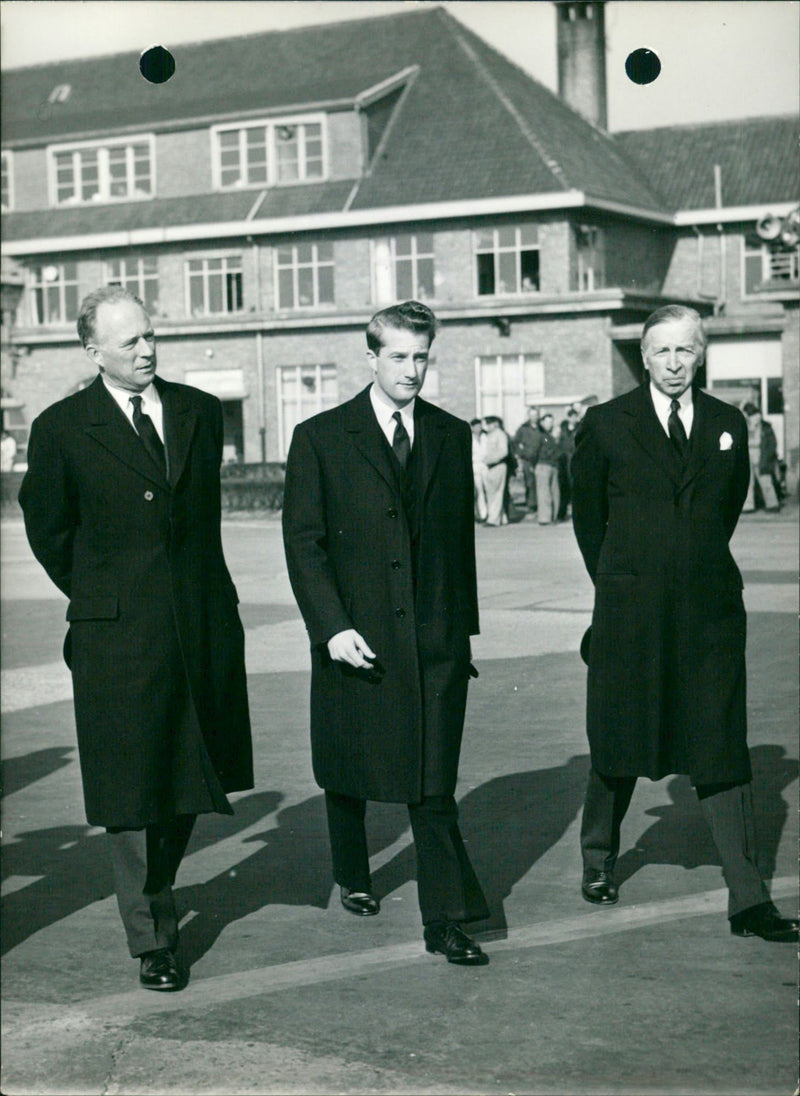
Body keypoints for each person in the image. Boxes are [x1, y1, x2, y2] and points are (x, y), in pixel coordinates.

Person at [19, 287, 254, 990]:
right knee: (130, 789)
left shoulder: (198, 412)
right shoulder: (62, 428)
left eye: (151, 336)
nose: (147, 350)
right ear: (92, 352)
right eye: (130, 343)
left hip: (201, 625)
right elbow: (48, 529)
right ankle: (152, 935)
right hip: (117, 637)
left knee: (189, 777)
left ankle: (158, 888)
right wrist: (102, 597)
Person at [571, 303, 797, 943]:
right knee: (618, 737)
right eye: (662, 350)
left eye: (686, 350)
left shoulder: (728, 424)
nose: (674, 363)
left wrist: (689, 566)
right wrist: (619, 581)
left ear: (702, 355)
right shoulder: (606, 424)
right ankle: (598, 860)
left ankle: (748, 898)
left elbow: (723, 511)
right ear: (643, 356)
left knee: (721, 745)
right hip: (630, 612)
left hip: (709, 615)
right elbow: (590, 521)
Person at [282, 300, 489, 966]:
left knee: (432, 787)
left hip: (434, 645)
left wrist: (461, 637)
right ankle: (353, 870)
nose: (411, 371)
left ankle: (447, 921)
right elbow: (305, 544)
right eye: (398, 357)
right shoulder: (320, 437)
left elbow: (458, 547)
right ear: (370, 357)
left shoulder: (450, 436)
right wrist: (331, 627)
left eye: (421, 357)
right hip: (356, 638)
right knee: (349, 770)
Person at [741, 402, 781, 513]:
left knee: (765, 480)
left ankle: (772, 505)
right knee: (747, 482)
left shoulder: (765, 427)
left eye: (755, 416)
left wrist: (768, 457)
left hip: (761, 456)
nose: (755, 418)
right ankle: (748, 506)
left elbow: (772, 444)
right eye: (752, 416)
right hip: (747, 456)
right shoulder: (743, 426)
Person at [533, 412, 561, 525]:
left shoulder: (549, 436)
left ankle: (552, 516)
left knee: (553, 492)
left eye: (551, 421)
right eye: (548, 421)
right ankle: (546, 518)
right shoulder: (542, 436)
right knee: (545, 492)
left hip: (552, 465)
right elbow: (535, 451)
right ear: (542, 422)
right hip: (544, 464)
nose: (550, 424)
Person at [482, 415, 509, 527]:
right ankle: (502, 518)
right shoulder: (489, 435)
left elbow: (504, 451)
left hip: (497, 465)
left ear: (495, 424)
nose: (487, 426)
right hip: (490, 467)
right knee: (491, 492)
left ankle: (493, 520)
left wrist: (491, 460)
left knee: (496, 493)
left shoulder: (500, 434)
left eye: (489, 423)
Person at [512, 406, 541, 512]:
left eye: (536, 415)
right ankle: (531, 505)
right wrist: (521, 453)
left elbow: (547, 439)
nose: (534, 417)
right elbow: (515, 442)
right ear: (528, 416)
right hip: (527, 460)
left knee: (539, 482)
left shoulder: (541, 428)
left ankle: (539, 504)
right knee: (530, 482)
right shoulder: (523, 428)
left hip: (540, 459)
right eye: (532, 415)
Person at [556, 406, 579, 521]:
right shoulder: (562, 430)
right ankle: (561, 513)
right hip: (564, 461)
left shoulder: (580, 429)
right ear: (568, 418)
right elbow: (556, 443)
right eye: (572, 417)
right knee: (564, 488)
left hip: (575, 461)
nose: (574, 419)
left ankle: (577, 513)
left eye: (576, 417)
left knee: (576, 488)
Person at [470, 417, 488, 523]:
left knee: (488, 489)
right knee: (479, 490)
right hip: (475, 465)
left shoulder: (485, 437)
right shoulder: (469, 438)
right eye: (476, 426)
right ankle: (482, 514)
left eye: (480, 426)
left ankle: (490, 513)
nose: (478, 428)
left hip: (486, 465)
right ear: (472, 428)